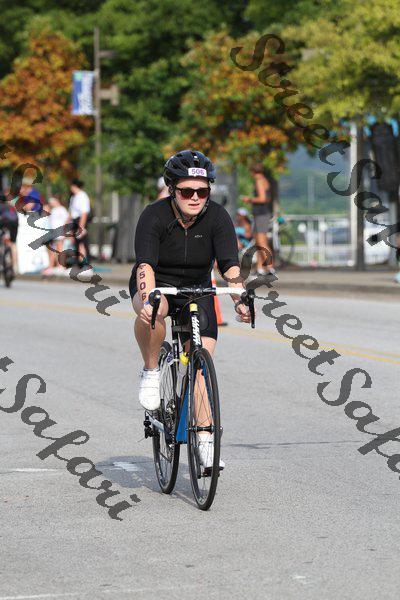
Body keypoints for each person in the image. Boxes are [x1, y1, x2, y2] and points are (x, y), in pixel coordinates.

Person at [130, 149, 252, 469]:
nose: (195, 197)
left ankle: (206, 439)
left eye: (202, 191)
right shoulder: (154, 216)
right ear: (172, 190)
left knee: (200, 365)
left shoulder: (218, 217)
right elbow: (145, 265)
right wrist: (148, 299)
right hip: (158, 282)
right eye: (187, 191)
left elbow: (230, 265)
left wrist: (240, 299)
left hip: (197, 288)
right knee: (153, 311)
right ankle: (151, 369)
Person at [242, 163, 274, 275]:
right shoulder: (264, 180)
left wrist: (249, 199)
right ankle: (260, 268)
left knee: (262, 241)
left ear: (253, 172)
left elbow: (262, 198)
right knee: (258, 242)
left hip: (261, 214)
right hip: (260, 214)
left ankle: (270, 268)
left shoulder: (259, 181)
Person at [43, 196, 69, 275]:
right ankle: (52, 266)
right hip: (53, 233)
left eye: (52, 201)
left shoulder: (62, 209)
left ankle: (61, 266)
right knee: (52, 250)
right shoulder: (53, 210)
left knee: (60, 249)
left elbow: (67, 221)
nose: (51, 203)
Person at [69, 179, 91, 264]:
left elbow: (84, 213)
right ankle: (79, 263)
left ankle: (85, 263)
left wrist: (81, 226)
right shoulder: (73, 197)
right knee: (76, 243)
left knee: (82, 242)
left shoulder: (82, 196)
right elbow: (71, 212)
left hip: (81, 221)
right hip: (75, 221)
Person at [0, 190, 19, 272]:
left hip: (5, 222)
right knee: (13, 244)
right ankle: (15, 266)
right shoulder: (11, 206)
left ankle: (1, 263)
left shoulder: (1, 206)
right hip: (15, 222)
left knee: (2, 240)